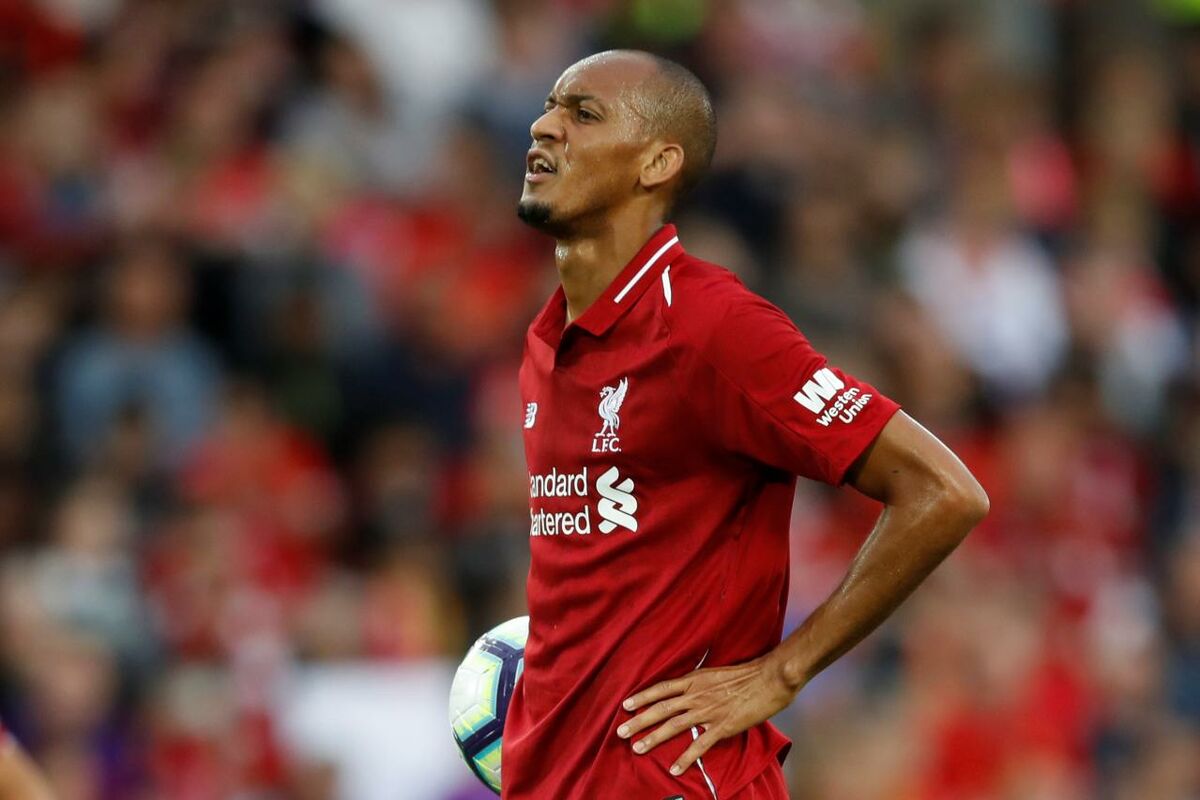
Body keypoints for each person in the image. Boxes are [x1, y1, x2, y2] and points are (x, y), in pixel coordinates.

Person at [507, 50, 988, 799]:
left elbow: (944, 491)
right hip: (560, 777)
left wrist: (784, 672)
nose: (545, 127)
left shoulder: (710, 325)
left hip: (679, 778)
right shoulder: (548, 338)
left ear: (657, 163)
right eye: (549, 107)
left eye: (583, 114)